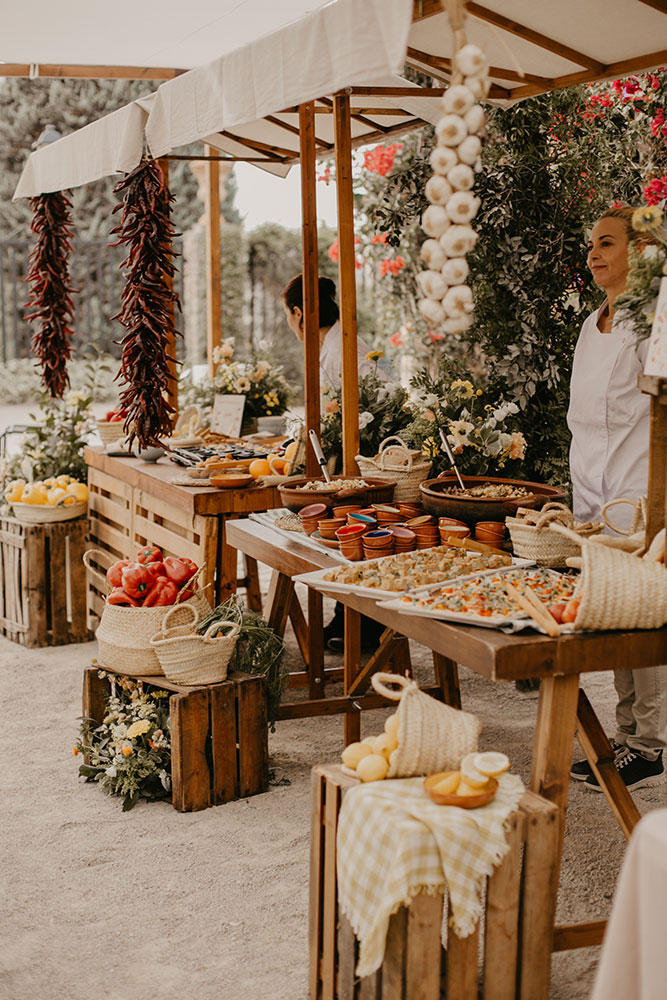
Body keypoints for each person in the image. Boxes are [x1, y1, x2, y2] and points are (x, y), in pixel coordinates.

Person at [568, 205, 666, 791]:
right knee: (616, 612)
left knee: (641, 612)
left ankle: (648, 744)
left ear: (639, 249)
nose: (594, 253)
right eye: (592, 245)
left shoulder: (653, 319)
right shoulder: (591, 323)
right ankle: (627, 734)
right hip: (590, 488)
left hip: (636, 485)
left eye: (607, 242)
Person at [281, 273, 386, 652]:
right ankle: (347, 618)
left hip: (367, 454)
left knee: (352, 532)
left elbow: (370, 403)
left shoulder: (342, 348)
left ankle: (362, 623)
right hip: (357, 448)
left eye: (288, 315)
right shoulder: (336, 343)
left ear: (298, 313)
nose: (289, 323)